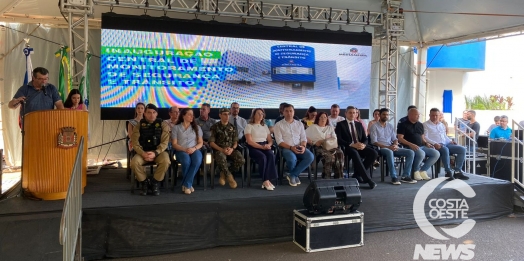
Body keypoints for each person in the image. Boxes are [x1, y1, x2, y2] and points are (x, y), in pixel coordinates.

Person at [130, 104, 171, 196]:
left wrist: (155, 153)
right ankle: (144, 182)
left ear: (157, 113)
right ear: (144, 113)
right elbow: (135, 142)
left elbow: (165, 142)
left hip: (159, 152)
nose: (151, 115)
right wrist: (143, 153)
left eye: (154, 112)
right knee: (134, 162)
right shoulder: (138, 125)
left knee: (166, 161)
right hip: (143, 152)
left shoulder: (163, 124)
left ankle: (154, 182)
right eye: (149, 112)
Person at [370, 108, 416, 185]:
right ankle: (394, 176)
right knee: (389, 152)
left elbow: (395, 138)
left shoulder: (390, 126)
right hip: (381, 148)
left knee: (410, 152)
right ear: (380, 115)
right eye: (384, 114)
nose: (386, 116)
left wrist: (395, 144)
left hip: (391, 147)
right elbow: (374, 142)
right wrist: (388, 147)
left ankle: (405, 176)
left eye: (387, 114)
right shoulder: (374, 126)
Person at [335, 106, 378, 189]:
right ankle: (367, 179)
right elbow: (339, 140)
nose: (352, 114)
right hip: (348, 147)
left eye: (354, 112)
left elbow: (365, 139)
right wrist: (352, 144)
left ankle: (357, 174)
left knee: (374, 153)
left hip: (359, 146)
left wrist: (363, 145)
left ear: (356, 114)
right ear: (346, 113)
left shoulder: (359, 124)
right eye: (350, 112)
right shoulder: (340, 124)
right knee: (354, 153)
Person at [274, 103, 314, 186]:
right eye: (286, 111)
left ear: (294, 112)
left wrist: (303, 146)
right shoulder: (278, 125)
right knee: (292, 159)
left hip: (299, 146)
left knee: (310, 156)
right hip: (286, 148)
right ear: (283, 112)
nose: (289, 113)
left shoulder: (299, 124)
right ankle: (294, 175)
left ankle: (292, 174)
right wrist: (291, 147)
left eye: (291, 111)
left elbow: (303, 138)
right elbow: (279, 141)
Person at [424, 108, 468, 180]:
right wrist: (434, 143)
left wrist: (450, 141)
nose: (435, 117)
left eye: (436, 115)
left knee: (462, 149)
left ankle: (457, 171)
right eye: (433, 115)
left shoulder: (441, 125)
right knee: (445, 149)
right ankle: (448, 172)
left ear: (439, 116)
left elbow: (444, 136)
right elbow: (425, 137)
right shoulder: (425, 125)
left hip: (445, 143)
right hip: (435, 145)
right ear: (429, 115)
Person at [397, 108, 439, 181]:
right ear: (410, 115)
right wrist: (410, 144)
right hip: (409, 146)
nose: (418, 116)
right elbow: (400, 138)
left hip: (421, 146)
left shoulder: (420, 124)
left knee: (436, 153)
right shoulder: (403, 124)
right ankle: (415, 171)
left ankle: (422, 170)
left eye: (419, 115)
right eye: (417, 114)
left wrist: (426, 143)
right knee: (421, 153)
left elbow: (422, 138)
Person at [209, 108, 245, 189]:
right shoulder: (215, 127)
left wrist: (232, 149)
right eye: (225, 114)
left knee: (241, 160)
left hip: (231, 149)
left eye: (228, 114)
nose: (227, 116)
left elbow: (235, 142)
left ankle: (223, 173)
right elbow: (211, 143)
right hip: (219, 149)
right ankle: (230, 178)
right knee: (221, 158)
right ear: (220, 115)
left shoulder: (232, 127)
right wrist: (222, 150)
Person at [172, 108, 203, 195]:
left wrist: (193, 149)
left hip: (194, 149)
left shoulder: (197, 128)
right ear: (183, 115)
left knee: (197, 160)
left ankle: (186, 184)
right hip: (181, 150)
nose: (191, 116)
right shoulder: (176, 128)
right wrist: (184, 149)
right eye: (189, 114)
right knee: (186, 161)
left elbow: (200, 143)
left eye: (192, 114)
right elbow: (174, 144)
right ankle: (188, 184)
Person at [245, 108, 277, 191]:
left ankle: (267, 179)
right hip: (254, 146)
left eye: (262, 114)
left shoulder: (265, 126)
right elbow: (250, 141)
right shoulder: (249, 126)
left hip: (264, 145)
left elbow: (270, 140)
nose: (260, 115)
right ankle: (265, 180)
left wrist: (268, 145)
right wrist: (262, 147)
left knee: (271, 155)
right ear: (254, 115)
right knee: (263, 157)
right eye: (258, 113)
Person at [305, 112, 344, 179]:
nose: (323, 119)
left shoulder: (330, 128)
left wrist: (323, 140)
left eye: (325, 117)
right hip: (318, 147)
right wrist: (312, 142)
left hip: (330, 146)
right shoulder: (313, 127)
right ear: (318, 118)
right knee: (329, 157)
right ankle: (326, 177)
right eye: (321, 117)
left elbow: (334, 138)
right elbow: (304, 136)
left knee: (340, 154)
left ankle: (339, 177)